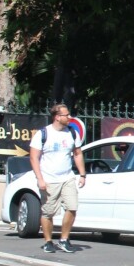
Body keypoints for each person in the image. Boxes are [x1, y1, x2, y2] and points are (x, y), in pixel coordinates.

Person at [29, 103, 86, 253]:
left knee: (72, 207)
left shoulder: (72, 133)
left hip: (67, 177)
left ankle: (64, 239)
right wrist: (40, 179)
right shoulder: (43, 134)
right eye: (66, 115)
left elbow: (78, 154)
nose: (69, 117)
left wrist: (82, 174)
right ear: (57, 117)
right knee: (48, 212)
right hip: (49, 179)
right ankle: (48, 241)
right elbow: (34, 158)